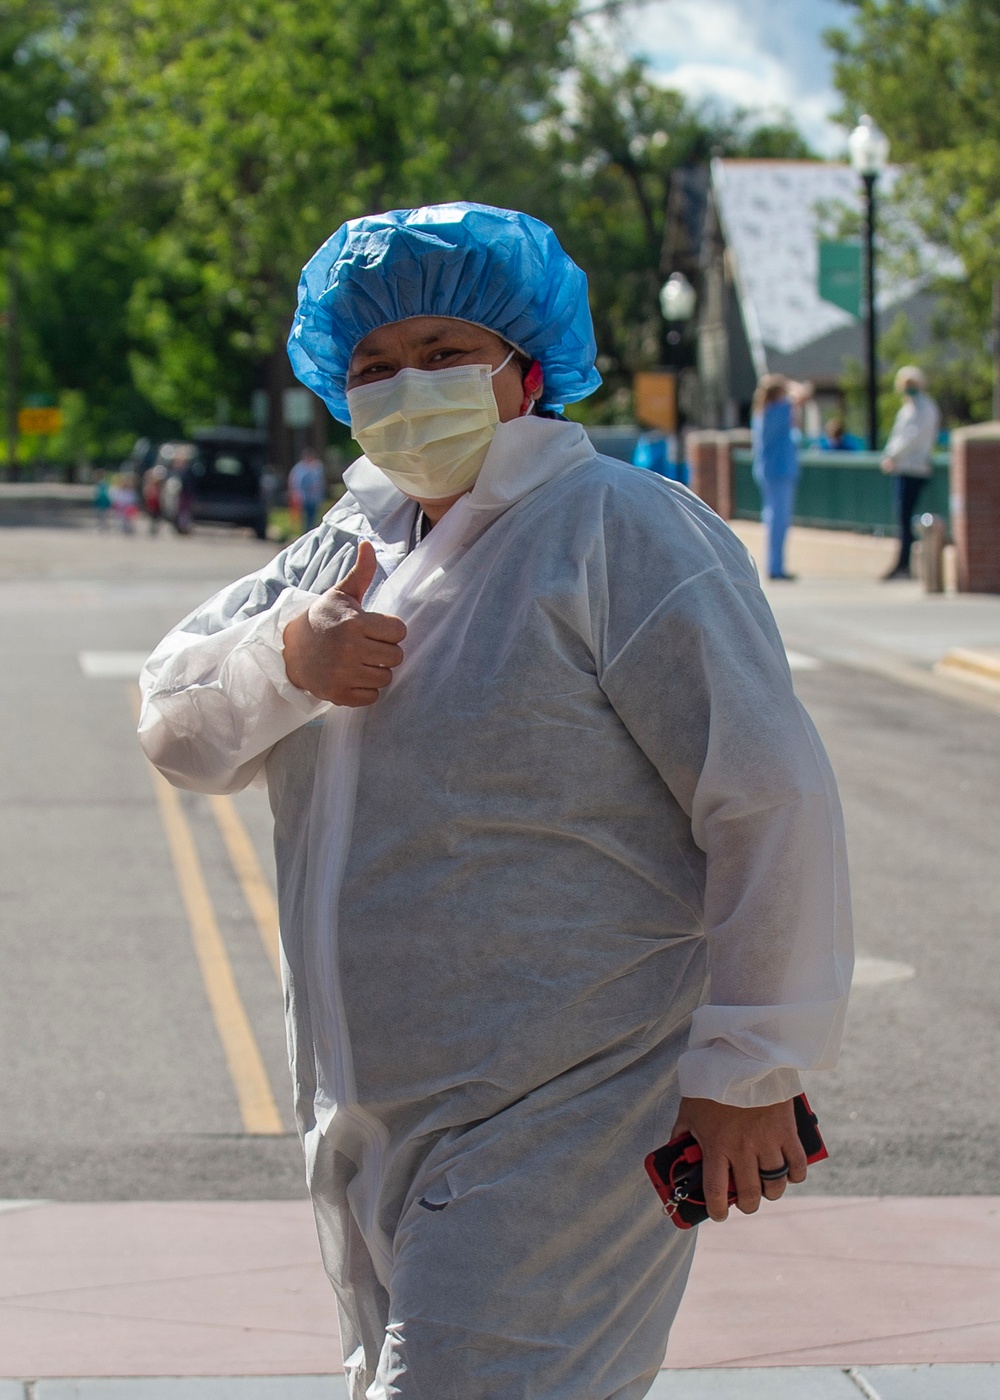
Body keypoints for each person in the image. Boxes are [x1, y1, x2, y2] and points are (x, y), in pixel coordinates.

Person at [138, 203, 852, 1400]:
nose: (404, 385)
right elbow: (174, 722)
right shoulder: (340, 551)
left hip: (565, 1110)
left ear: (526, 369)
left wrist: (751, 1068)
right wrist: (285, 661)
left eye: (442, 352)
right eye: (372, 364)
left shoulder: (618, 531)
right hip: (365, 1118)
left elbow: (768, 796)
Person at [750, 374, 813, 581]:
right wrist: (788, 382)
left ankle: (775, 565)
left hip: (768, 471)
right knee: (779, 522)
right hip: (780, 472)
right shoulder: (779, 410)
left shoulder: (761, 413)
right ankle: (776, 568)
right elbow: (805, 393)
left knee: (772, 520)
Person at [880, 366, 941, 580]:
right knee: (903, 519)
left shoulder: (925, 407)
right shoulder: (908, 408)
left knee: (908, 519)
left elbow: (911, 437)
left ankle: (905, 565)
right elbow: (898, 435)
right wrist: (891, 455)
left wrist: (893, 455)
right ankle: (902, 563)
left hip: (915, 469)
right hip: (903, 468)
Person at [288, 446, 327, 533]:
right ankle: (305, 533)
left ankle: (312, 532)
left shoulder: (317, 467)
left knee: (314, 518)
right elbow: (295, 483)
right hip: (304, 498)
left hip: (315, 498)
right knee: (305, 519)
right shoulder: (299, 469)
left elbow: (321, 482)